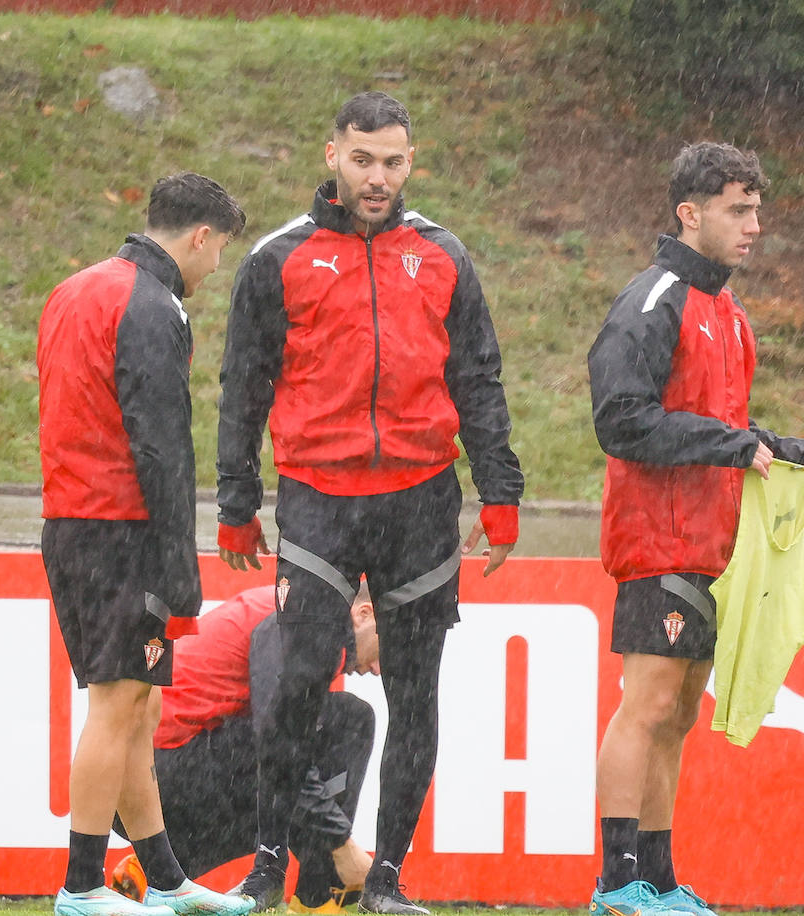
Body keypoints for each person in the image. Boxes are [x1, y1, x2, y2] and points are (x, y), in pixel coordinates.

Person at [215, 91, 525, 916]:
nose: (377, 176)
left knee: (417, 694)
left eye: (392, 161)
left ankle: (385, 880)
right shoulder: (276, 258)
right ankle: (264, 870)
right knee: (300, 683)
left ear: (410, 163)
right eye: (362, 160)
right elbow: (241, 389)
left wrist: (502, 493)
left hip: (423, 505)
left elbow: (480, 381)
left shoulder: (445, 255)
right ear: (332, 157)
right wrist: (236, 499)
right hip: (318, 503)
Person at [585, 142, 804, 916]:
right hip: (656, 537)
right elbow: (620, 421)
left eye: (757, 209)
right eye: (738, 209)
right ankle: (614, 883)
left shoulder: (729, 312)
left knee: (681, 711)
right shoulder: (653, 297)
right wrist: (734, 445)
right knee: (649, 705)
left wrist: (781, 448)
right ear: (689, 214)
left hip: (710, 541)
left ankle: (657, 880)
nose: (754, 225)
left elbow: (723, 421)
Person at [38, 171, 254, 916]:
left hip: (72, 518)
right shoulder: (154, 305)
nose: (215, 266)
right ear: (201, 236)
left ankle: (164, 878)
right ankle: (81, 886)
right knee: (119, 701)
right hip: (118, 525)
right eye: (220, 250)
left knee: (139, 706)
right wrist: (178, 560)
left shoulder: (76, 288)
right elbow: (161, 444)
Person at [112, 582, 380, 915]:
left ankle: (160, 867)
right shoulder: (302, 619)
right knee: (348, 721)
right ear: (364, 614)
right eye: (387, 649)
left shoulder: (302, 605)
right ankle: (319, 899)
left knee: (311, 749)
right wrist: (340, 844)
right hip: (159, 773)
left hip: (144, 778)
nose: (378, 669)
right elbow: (276, 736)